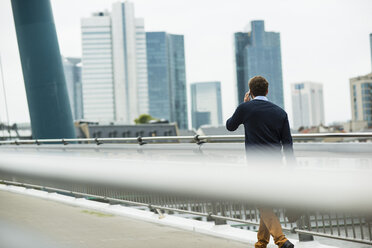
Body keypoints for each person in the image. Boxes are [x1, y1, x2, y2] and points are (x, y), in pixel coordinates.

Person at [226, 76, 294, 248]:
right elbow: (288, 144)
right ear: (267, 90)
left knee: (262, 203)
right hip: (276, 165)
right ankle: (261, 244)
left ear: (250, 91)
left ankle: (281, 240)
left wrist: (244, 104)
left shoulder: (246, 108)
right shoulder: (280, 112)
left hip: (256, 166)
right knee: (265, 203)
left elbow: (230, 126)